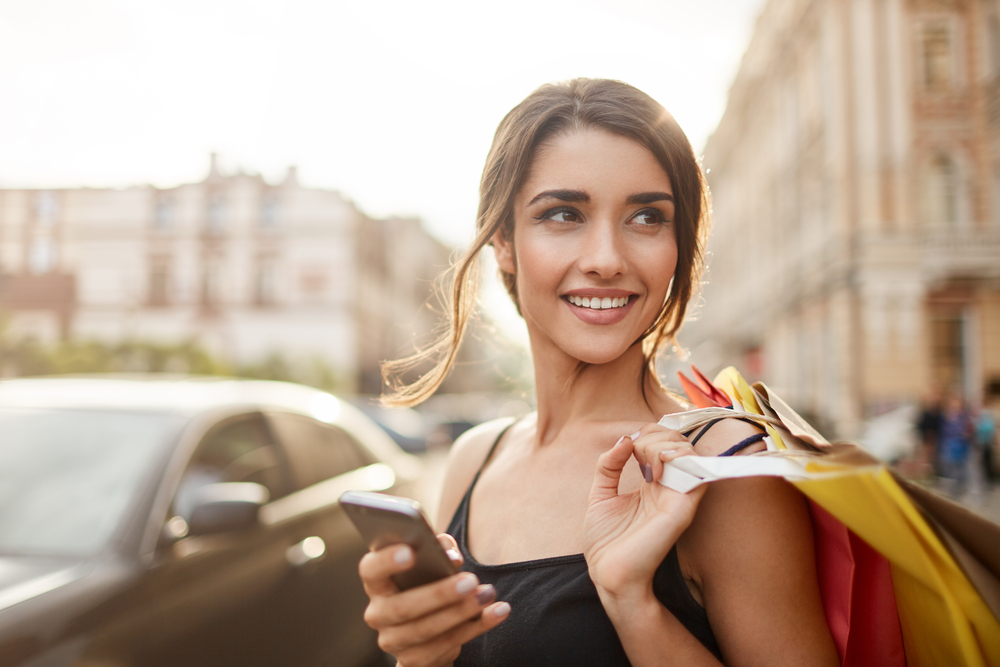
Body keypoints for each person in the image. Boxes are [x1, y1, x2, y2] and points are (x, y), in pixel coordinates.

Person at [358, 79, 838, 667]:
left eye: (646, 217)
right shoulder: (474, 458)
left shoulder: (726, 470)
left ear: (678, 242)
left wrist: (634, 604)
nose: (607, 259)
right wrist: (419, 655)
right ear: (504, 241)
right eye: (564, 214)